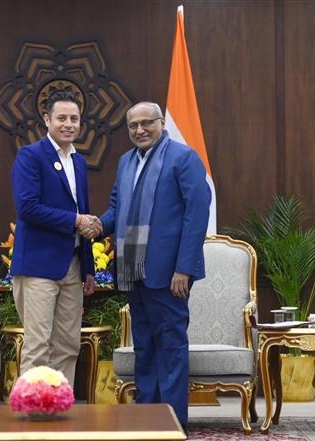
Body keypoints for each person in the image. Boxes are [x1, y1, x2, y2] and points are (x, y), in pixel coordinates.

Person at [90, 102, 211, 430]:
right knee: (144, 347)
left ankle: (172, 423)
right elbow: (117, 208)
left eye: (147, 123)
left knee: (170, 347)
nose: (140, 130)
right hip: (134, 271)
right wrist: (96, 226)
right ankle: (147, 420)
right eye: (133, 125)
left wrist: (184, 268)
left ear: (161, 123)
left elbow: (197, 213)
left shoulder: (183, 157)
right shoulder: (126, 161)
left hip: (170, 274)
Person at [11, 90, 97, 386]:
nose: (68, 124)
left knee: (68, 346)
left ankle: (59, 406)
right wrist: (75, 221)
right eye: (62, 118)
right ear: (47, 120)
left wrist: (88, 267)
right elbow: (28, 208)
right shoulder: (31, 156)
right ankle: (32, 409)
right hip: (38, 265)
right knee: (38, 347)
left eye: (74, 119)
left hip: (73, 265)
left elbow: (83, 211)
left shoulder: (79, 162)